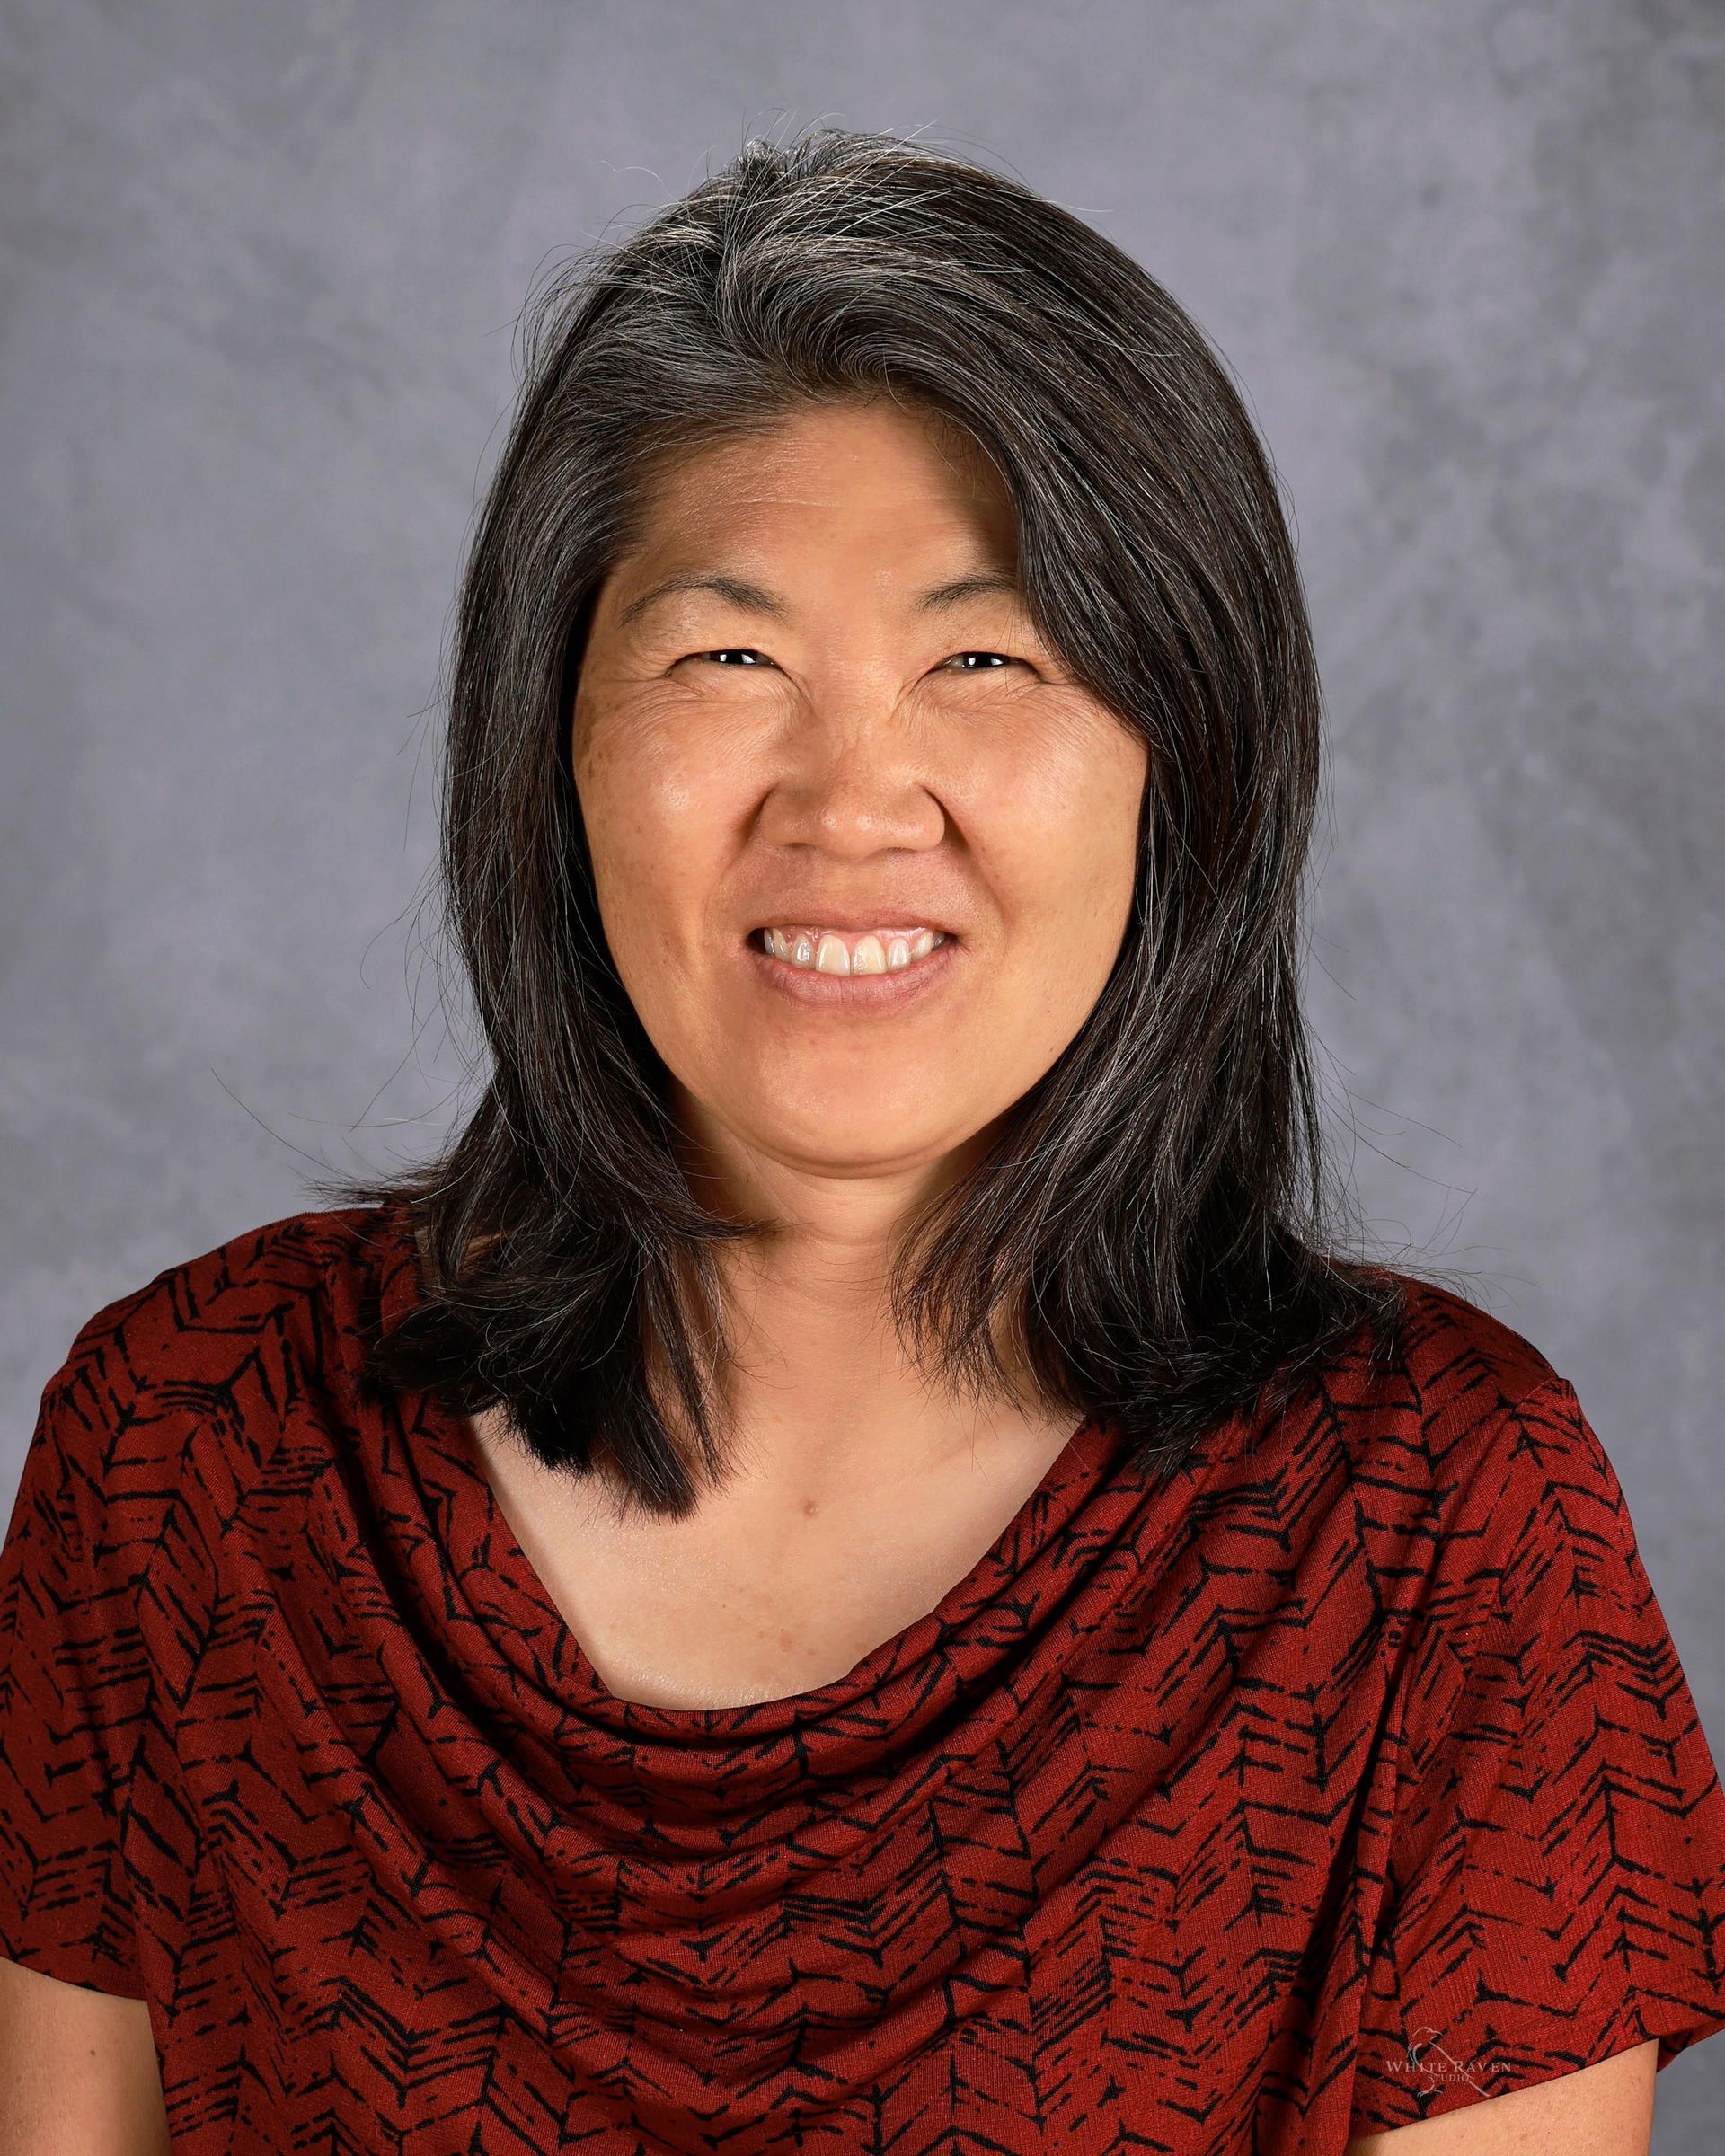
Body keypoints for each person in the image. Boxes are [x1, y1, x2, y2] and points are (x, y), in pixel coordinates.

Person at [1, 126, 1720, 2156]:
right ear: (548, 739)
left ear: (1187, 751)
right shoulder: (186, 1450)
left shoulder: (1439, 1528)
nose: (851, 802)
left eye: (986, 658)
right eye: (728, 657)